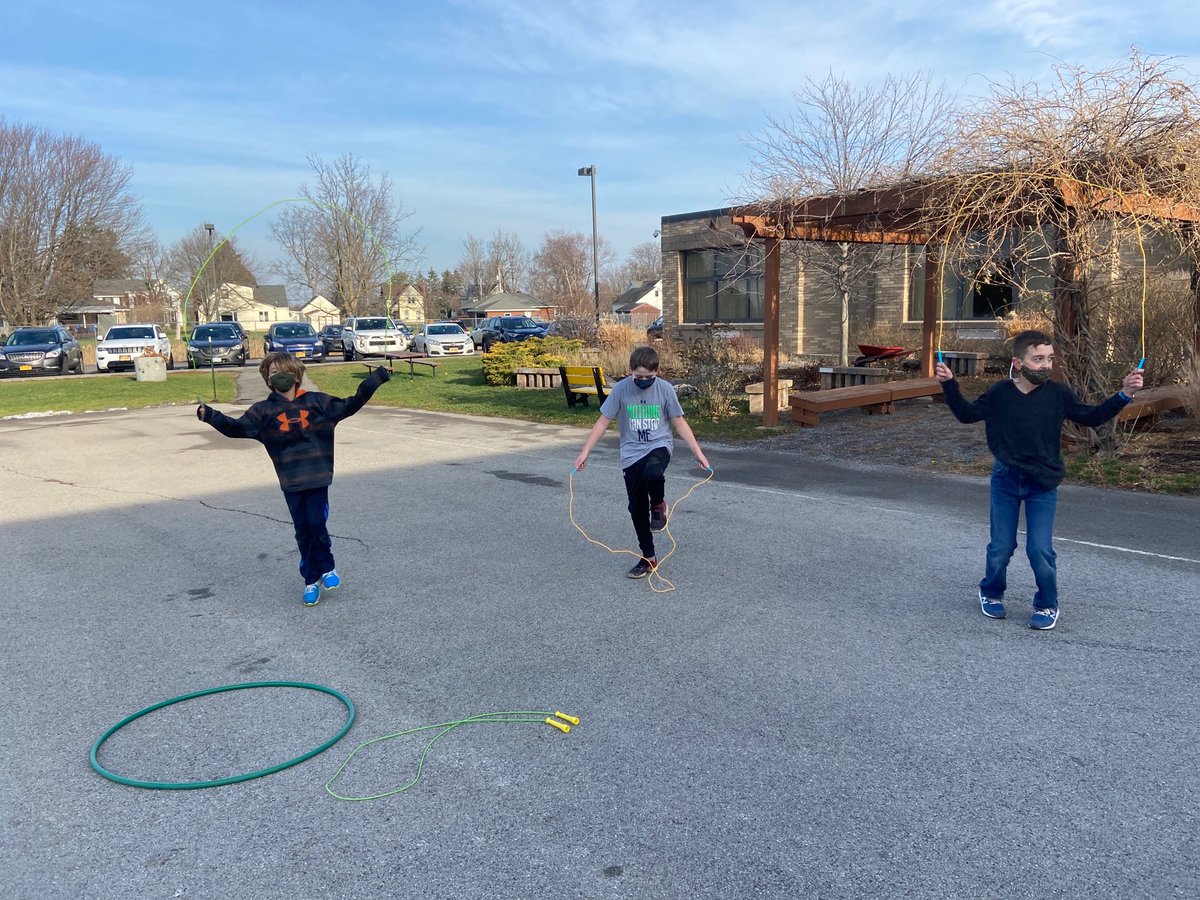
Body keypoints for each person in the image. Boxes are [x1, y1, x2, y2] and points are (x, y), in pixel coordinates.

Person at [935, 329, 1143, 630]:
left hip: (1042, 483)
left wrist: (1125, 393)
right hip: (1005, 479)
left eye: (1049, 359)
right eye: (1038, 359)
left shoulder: (1058, 394)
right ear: (1018, 363)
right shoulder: (1000, 393)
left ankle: (1047, 603)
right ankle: (991, 592)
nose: (1046, 365)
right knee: (1001, 547)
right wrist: (950, 385)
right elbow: (967, 415)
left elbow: (1092, 416)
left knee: (1040, 549)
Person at [197, 351, 391, 606]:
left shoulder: (318, 403)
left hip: (317, 476)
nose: (278, 377)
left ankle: (327, 567)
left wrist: (376, 379)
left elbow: (351, 403)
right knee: (302, 530)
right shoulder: (262, 413)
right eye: (272, 373)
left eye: (283, 372)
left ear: (297, 374)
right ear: (267, 379)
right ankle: (311, 580)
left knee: (316, 524)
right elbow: (236, 428)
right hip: (291, 481)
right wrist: (210, 415)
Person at [573, 345, 710, 578]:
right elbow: (603, 422)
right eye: (639, 377)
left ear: (657, 372)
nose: (644, 381)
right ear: (630, 371)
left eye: (649, 377)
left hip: (659, 446)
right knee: (636, 508)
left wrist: (698, 452)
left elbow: (679, 423)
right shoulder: (621, 390)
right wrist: (585, 451)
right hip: (631, 453)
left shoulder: (665, 390)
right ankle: (648, 557)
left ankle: (658, 505)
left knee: (653, 474)